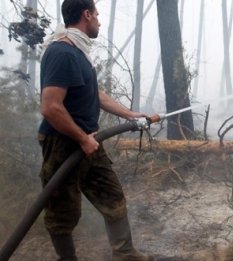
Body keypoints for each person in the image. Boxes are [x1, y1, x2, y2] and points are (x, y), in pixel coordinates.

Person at [39, 0, 154, 260]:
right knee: (62, 212)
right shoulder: (62, 52)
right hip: (63, 144)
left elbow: (96, 94)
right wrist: (81, 138)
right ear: (86, 15)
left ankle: (125, 254)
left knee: (112, 197)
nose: (100, 21)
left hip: (89, 140)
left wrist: (131, 114)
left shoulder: (78, 53)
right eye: (98, 15)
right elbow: (50, 107)